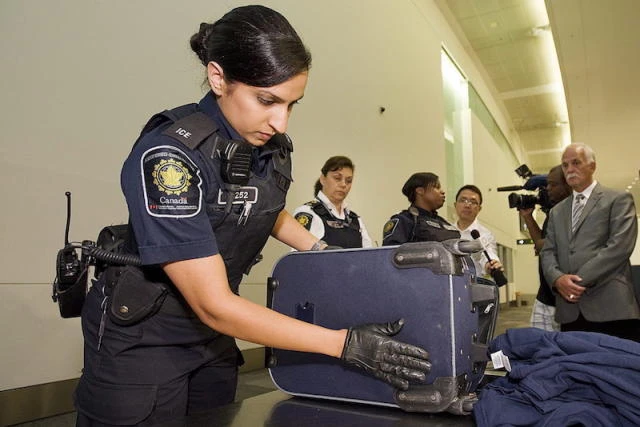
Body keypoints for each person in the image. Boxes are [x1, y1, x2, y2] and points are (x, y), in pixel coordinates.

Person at [74, 6, 431, 425]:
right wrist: (343, 344)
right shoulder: (169, 156)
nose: (280, 122)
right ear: (218, 78)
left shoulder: (265, 144)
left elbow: (264, 207)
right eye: (267, 100)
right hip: (145, 339)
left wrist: (323, 251)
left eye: (292, 105)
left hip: (213, 338)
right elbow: (212, 303)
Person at [540, 143, 640, 341]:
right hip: (570, 311)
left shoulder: (618, 199)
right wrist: (558, 280)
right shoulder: (556, 212)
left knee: (616, 368)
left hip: (611, 306)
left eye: (576, 163)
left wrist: (574, 282)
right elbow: (547, 251)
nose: (570, 169)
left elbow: (619, 247)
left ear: (592, 166)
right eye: (565, 165)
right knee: (576, 368)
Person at [519, 165, 571, 331]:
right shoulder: (553, 213)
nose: (548, 189)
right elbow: (540, 242)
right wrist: (527, 217)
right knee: (539, 351)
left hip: (568, 301)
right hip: (544, 298)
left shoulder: (576, 211)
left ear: (568, 185)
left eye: (553, 185)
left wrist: (545, 244)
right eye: (546, 184)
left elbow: (555, 244)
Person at [292, 156, 373, 248]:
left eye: (348, 181)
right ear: (323, 179)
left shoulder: (355, 220)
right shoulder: (308, 213)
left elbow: (368, 254)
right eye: (337, 178)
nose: (343, 184)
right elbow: (298, 258)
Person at [382, 172, 460, 245]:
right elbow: (391, 254)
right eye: (437, 187)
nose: (442, 192)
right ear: (420, 191)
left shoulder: (444, 223)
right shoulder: (404, 221)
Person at [453, 184, 504, 279]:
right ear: (455, 205)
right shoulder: (446, 231)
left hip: (474, 287)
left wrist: (491, 264)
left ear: (479, 208)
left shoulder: (485, 235)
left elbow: (489, 254)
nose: (467, 205)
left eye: (473, 202)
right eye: (463, 200)